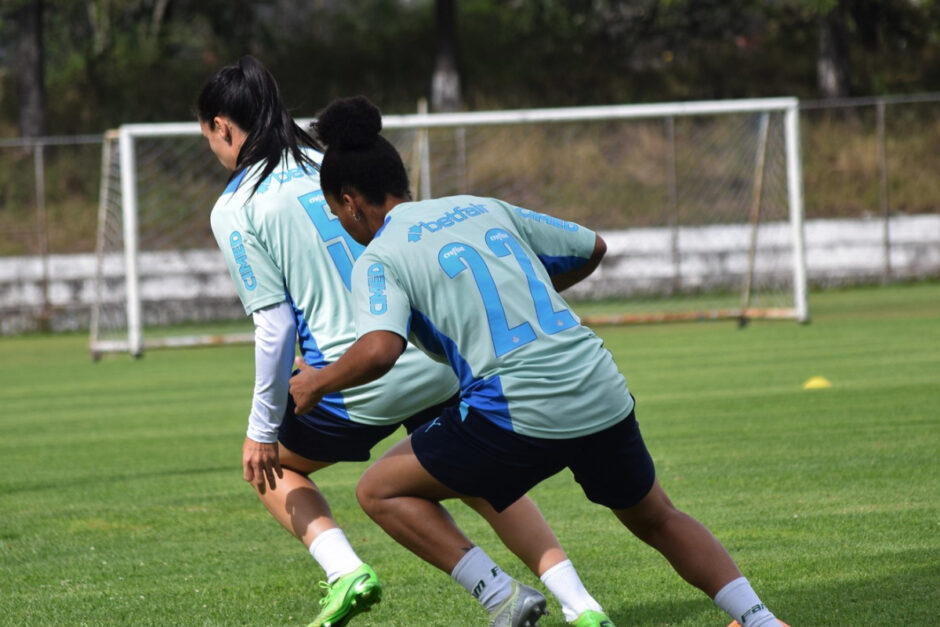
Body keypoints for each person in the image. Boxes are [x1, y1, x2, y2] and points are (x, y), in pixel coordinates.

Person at [288, 95, 786, 627]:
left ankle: (500, 595)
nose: (342, 223)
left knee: (379, 489)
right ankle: (758, 619)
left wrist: (317, 382)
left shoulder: (381, 255)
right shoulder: (483, 207)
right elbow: (590, 246)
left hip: (517, 408)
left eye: (336, 212)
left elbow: (380, 349)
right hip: (598, 384)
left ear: (351, 201)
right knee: (656, 517)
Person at [197, 56, 611, 627]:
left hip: (355, 377)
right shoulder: (335, 160)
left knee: (269, 467)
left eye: (209, 136)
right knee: (483, 480)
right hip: (430, 356)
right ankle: (581, 606)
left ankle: (351, 573)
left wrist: (261, 429)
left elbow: (275, 326)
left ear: (222, 125)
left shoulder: (237, 206)